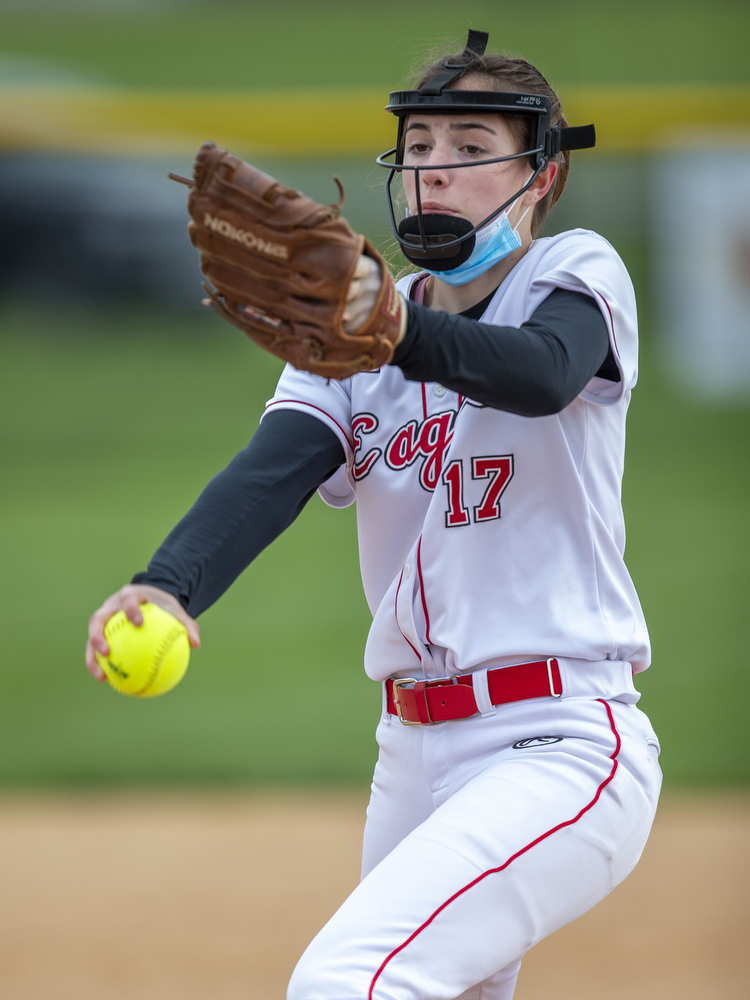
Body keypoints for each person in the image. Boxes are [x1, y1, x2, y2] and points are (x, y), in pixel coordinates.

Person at [86, 30, 661, 1000]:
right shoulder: (350, 329)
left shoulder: (573, 272)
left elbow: (540, 372)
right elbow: (271, 471)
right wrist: (167, 583)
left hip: (558, 740)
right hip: (411, 756)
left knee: (351, 979)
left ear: (543, 176)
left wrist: (390, 333)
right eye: (423, 147)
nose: (438, 170)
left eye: (472, 147)